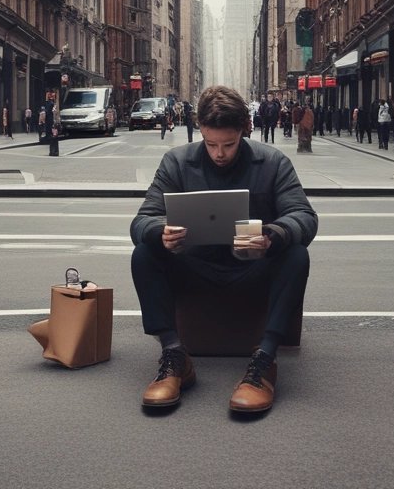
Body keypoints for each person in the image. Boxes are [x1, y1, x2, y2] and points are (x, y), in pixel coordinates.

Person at [130, 84, 318, 413]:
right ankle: (174, 355)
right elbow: (141, 220)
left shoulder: (273, 162)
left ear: (244, 129)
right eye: (211, 143)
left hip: (251, 271)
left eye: (228, 145)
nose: (219, 153)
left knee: (296, 254)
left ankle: (264, 361)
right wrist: (160, 232)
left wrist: (273, 234)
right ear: (200, 130)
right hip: (195, 270)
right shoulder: (177, 162)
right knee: (144, 252)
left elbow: (304, 216)